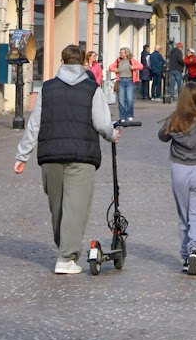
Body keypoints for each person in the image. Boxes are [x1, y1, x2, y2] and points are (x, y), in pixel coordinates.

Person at [14, 44, 119, 275]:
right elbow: (102, 123)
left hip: (51, 156)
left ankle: (65, 250)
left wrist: (22, 155)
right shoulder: (92, 89)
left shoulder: (47, 88)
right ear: (83, 63)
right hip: (81, 156)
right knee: (76, 208)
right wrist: (112, 135)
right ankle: (66, 257)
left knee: (58, 208)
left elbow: (34, 124)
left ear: (61, 62)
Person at [158, 82, 196, 276]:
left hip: (180, 170)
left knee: (184, 215)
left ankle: (186, 256)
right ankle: (195, 249)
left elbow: (161, 136)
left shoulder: (175, 121)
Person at [108, 47, 141, 122]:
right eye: (120, 52)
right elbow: (110, 67)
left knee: (129, 99)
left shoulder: (131, 60)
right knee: (121, 99)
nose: (120, 54)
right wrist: (114, 69)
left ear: (126, 53)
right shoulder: (118, 61)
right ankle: (122, 116)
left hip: (129, 80)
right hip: (121, 81)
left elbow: (141, 66)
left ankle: (130, 115)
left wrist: (134, 67)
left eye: (122, 53)